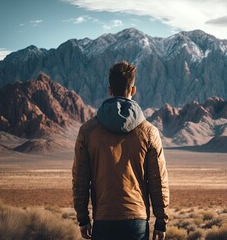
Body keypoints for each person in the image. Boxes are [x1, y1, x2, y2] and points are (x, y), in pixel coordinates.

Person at [72, 61, 169, 240]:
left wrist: (83, 219)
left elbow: (80, 180)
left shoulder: (88, 131)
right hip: (136, 221)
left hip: (103, 219)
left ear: (110, 90)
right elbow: (158, 179)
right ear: (133, 90)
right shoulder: (149, 132)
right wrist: (161, 220)